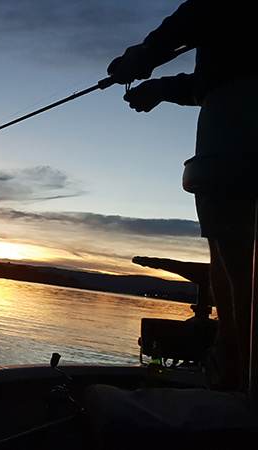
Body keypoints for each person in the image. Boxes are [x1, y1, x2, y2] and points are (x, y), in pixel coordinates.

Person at [107, 0, 258, 393]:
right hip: (228, 126)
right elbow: (212, 77)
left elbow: (204, 11)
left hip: (233, 137)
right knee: (228, 260)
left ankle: (240, 392)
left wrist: (145, 55)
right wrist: (160, 88)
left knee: (239, 263)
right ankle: (235, 379)